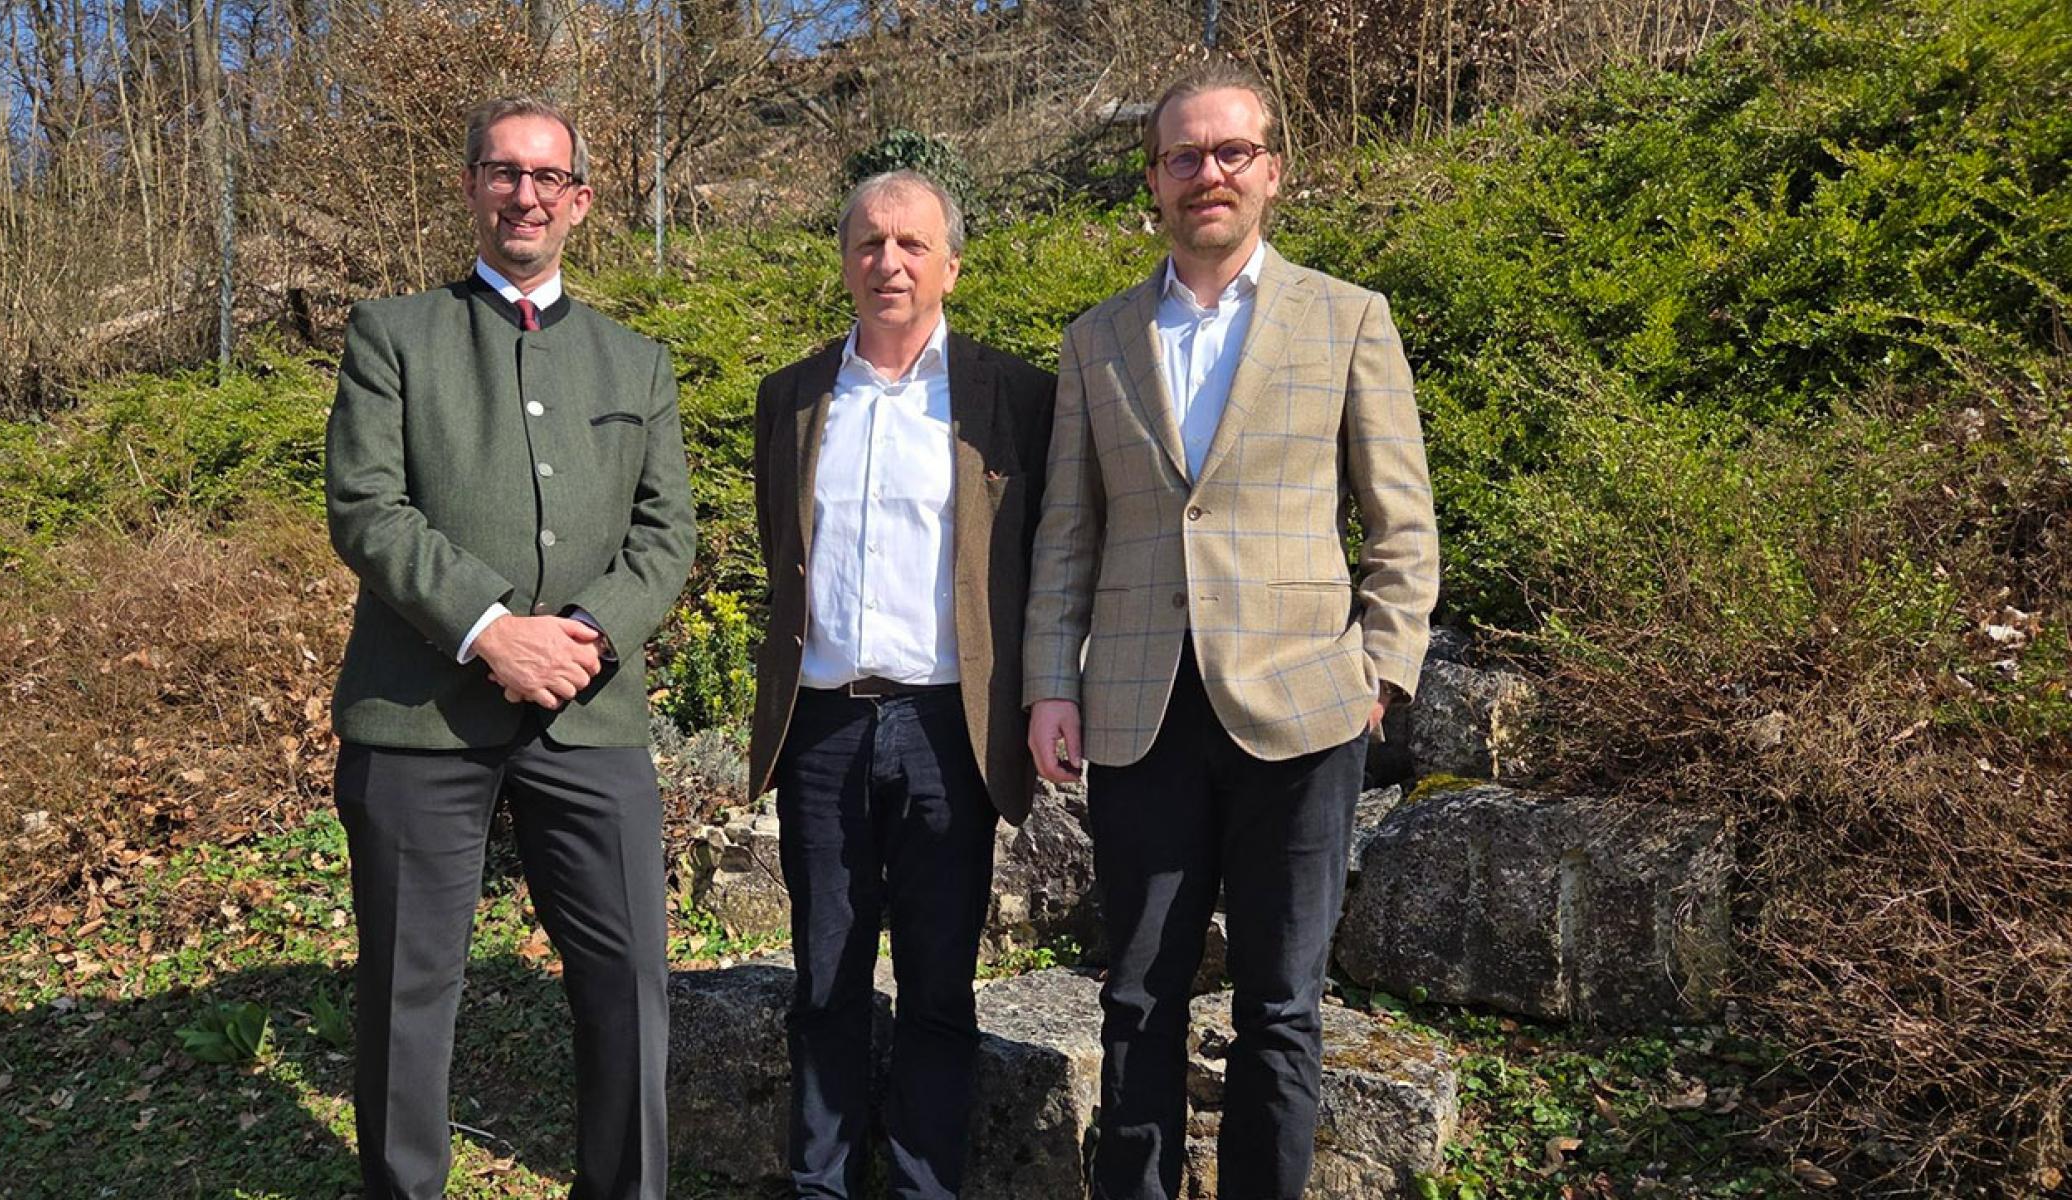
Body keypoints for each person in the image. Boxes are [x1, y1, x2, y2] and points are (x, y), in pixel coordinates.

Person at [1021, 63, 1439, 1200]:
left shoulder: (1348, 319)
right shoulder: (1096, 340)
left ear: (1273, 171)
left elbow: (1403, 524)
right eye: (1182, 156)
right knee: (1138, 996)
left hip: (1305, 714)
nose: (1207, 173)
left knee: (1282, 1004)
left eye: (1230, 153)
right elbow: (1067, 535)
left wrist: (1381, 676)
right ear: (1153, 179)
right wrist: (1050, 683)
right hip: (1140, 714)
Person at [323, 95, 695, 1200]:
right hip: (418, 715)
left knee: (630, 981)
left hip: (592, 711)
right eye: (502, 171)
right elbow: (368, 509)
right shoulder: (393, 335)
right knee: (408, 991)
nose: (523, 194)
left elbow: (666, 533)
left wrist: (582, 637)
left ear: (580, 201)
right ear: (471, 187)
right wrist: (491, 631)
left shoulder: (638, 363)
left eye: (546, 177)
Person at [748, 169, 1056, 1199]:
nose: (890, 262)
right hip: (825, 728)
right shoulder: (791, 398)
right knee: (825, 982)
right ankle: (819, 1183)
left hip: (945, 730)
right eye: (870, 243)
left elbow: (1045, 560)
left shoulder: (1012, 396)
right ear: (844, 261)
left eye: (913, 245)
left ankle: (928, 1187)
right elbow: (780, 557)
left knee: (938, 987)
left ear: (952, 265)